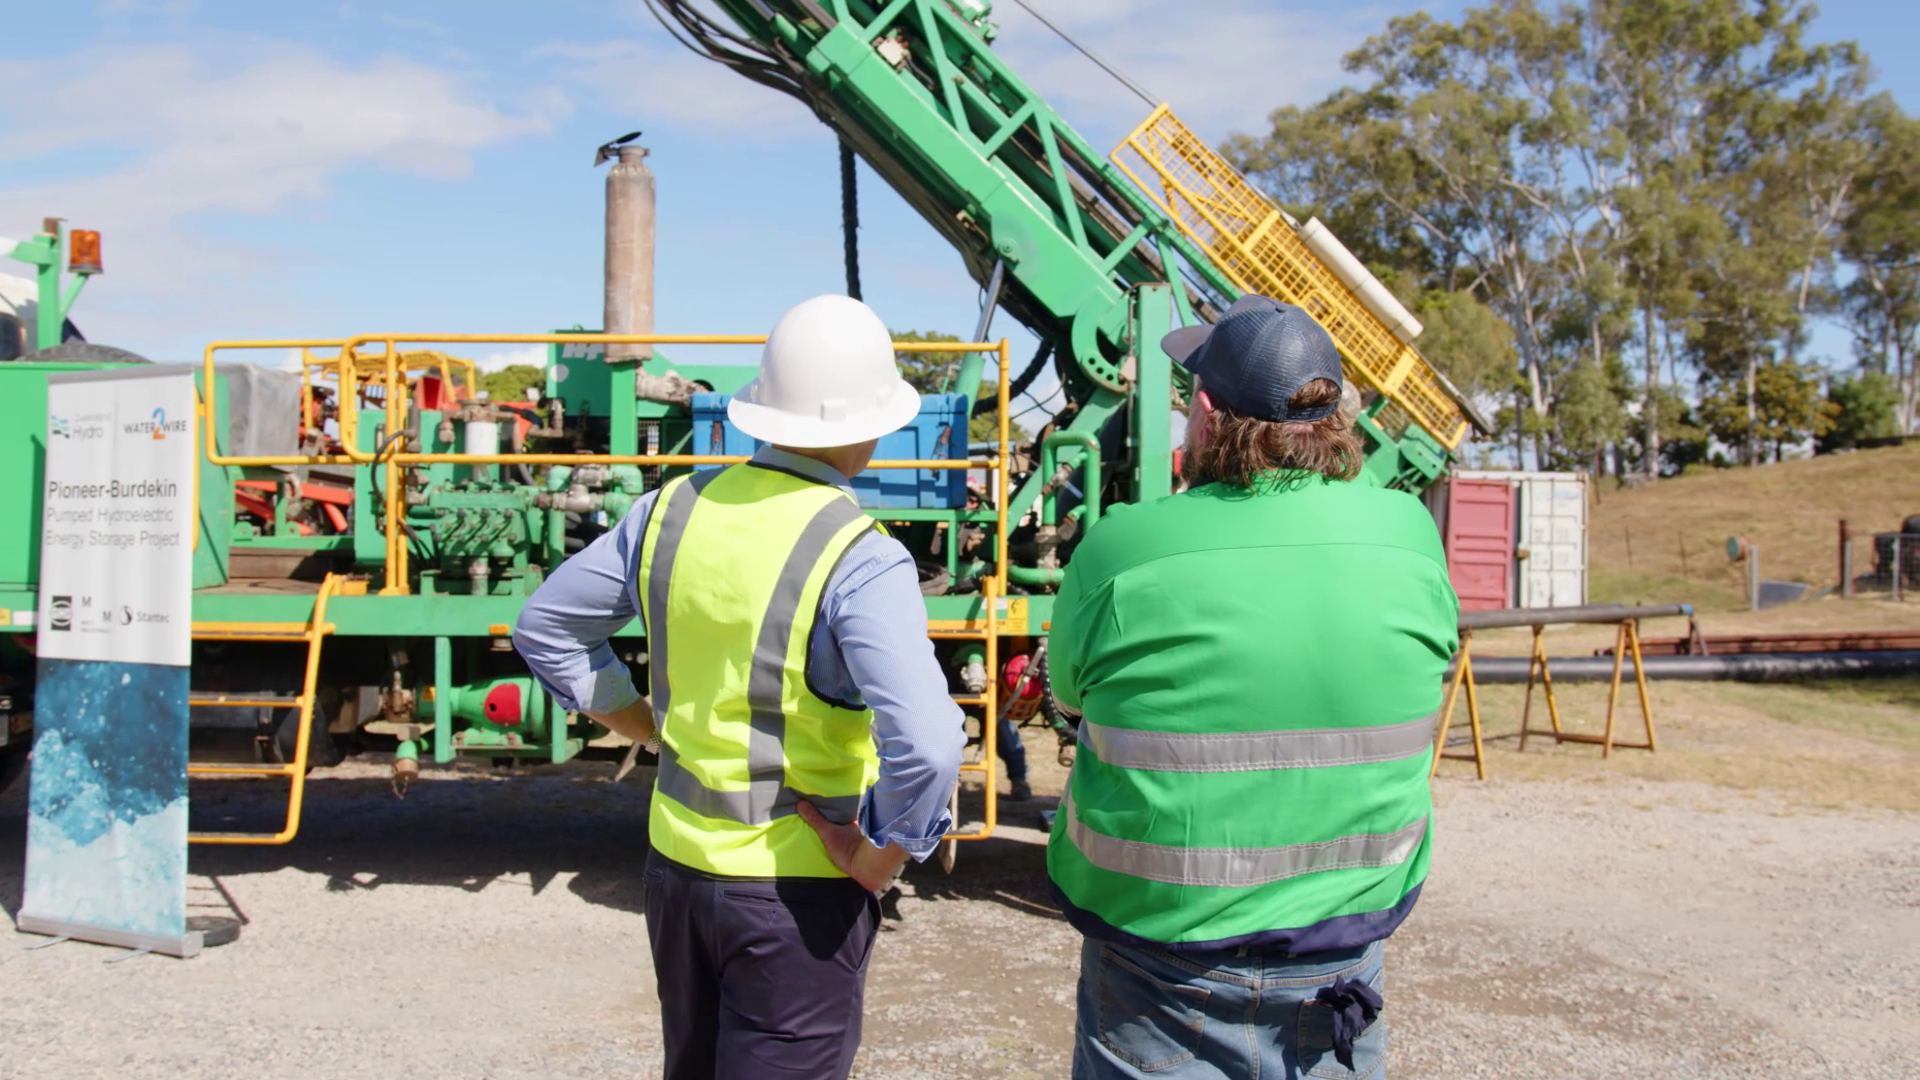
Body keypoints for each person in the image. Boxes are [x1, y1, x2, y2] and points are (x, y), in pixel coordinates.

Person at [513, 294, 965, 1080]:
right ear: (872, 422)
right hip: (798, 893)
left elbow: (545, 625)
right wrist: (882, 857)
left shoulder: (668, 510)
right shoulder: (862, 554)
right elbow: (927, 746)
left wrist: (643, 726)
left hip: (677, 875)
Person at [1043, 294, 1460, 1080]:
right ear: (1334, 411)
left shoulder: (1124, 546)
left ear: (1205, 411)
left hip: (1157, 970)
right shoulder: (1409, 534)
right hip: (1340, 967)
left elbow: (1067, 698)